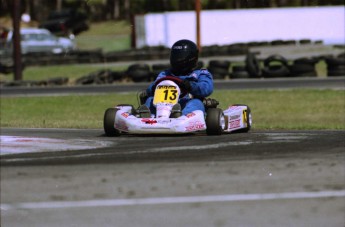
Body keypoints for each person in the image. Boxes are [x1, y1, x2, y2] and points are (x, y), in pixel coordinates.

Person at [140, 39, 214, 118]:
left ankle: (180, 116)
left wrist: (191, 86)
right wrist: (153, 87)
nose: (178, 60)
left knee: (196, 103)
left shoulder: (200, 73)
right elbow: (151, 88)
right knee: (150, 100)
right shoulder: (165, 74)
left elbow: (206, 88)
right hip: (162, 105)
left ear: (192, 58)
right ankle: (148, 116)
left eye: (181, 58)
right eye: (177, 57)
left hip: (186, 102)